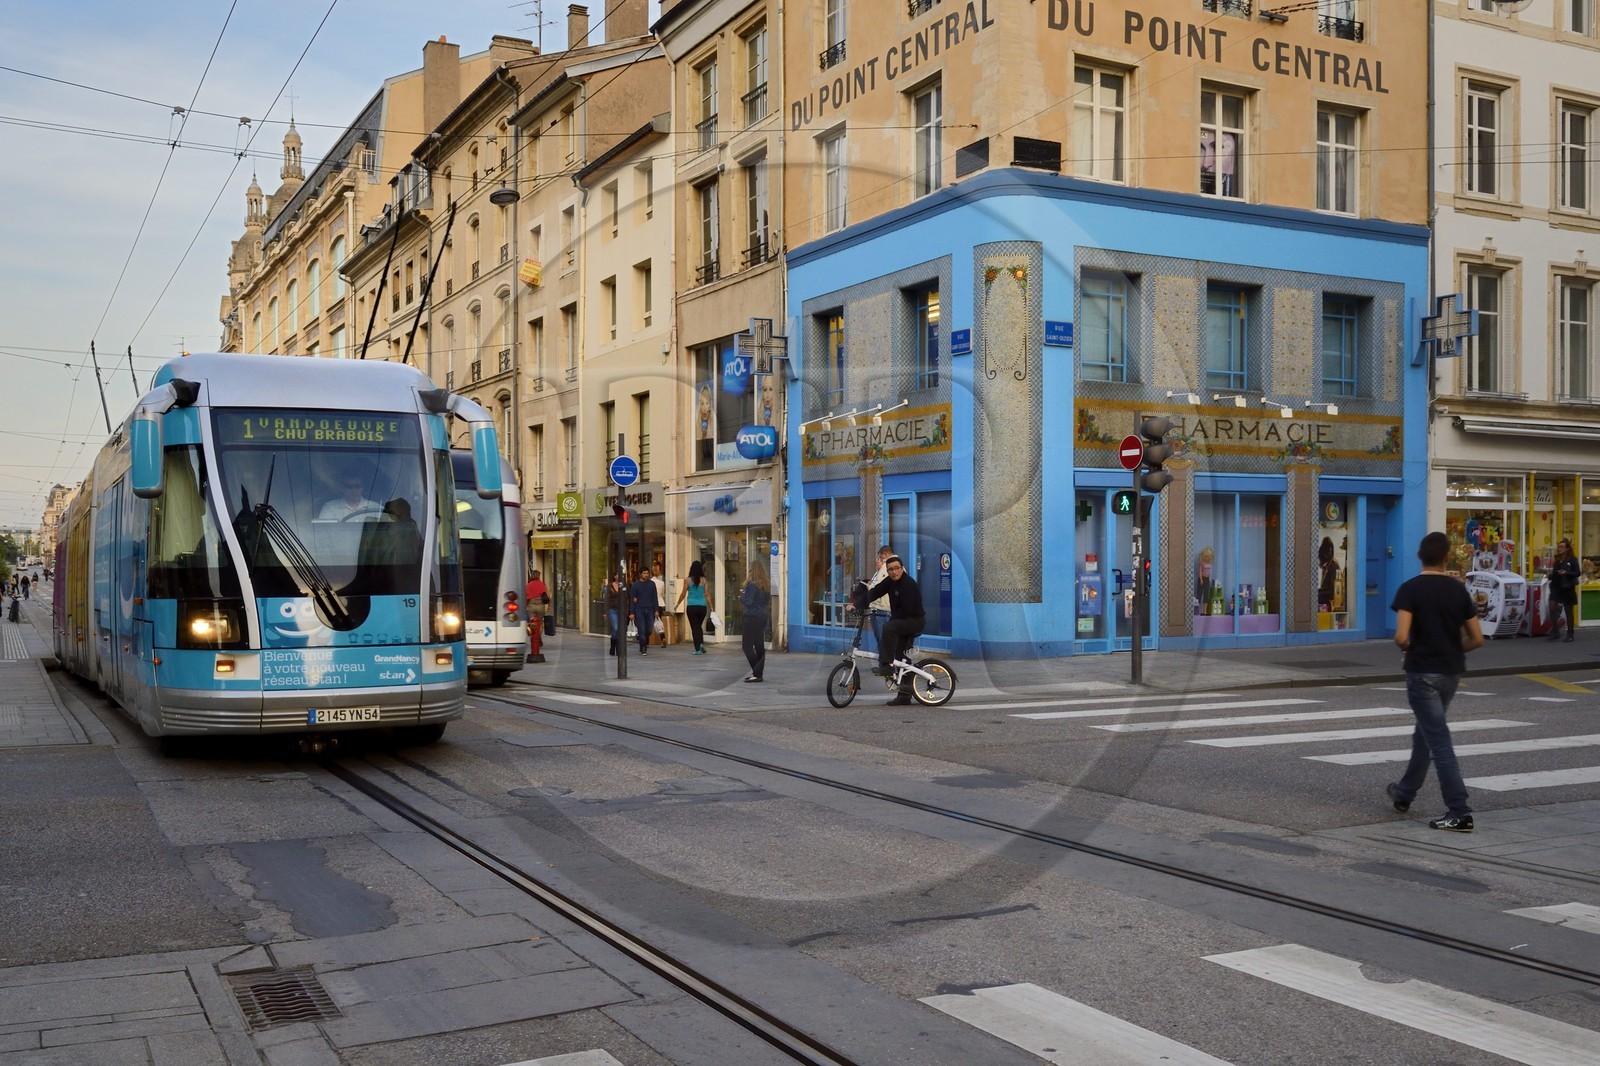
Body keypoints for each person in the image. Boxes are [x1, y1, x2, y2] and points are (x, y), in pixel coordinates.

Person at [1386, 531, 1485, 833]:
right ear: (1446, 558)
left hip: (1422, 674)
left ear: (1420, 556)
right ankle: (1404, 793)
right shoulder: (1458, 591)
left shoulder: (1410, 590)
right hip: (1450, 673)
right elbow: (1477, 638)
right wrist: (1454, 649)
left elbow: (1401, 636)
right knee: (1425, 735)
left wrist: (1409, 649)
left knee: (1438, 741)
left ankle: (1459, 810)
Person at [858, 554, 925, 705]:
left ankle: (886, 665)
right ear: (887, 571)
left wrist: (893, 621)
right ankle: (904, 696)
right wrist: (856, 604)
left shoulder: (908, 584)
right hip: (902, 621)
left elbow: (907, 610)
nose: (894, 572)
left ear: (902, 569)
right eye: (890, 570)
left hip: (914, 621)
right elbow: (874, 593)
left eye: (897, 569)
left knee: (889, 627)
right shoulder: (889, 582)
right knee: (902, 658)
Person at [739, 566, 770, 682]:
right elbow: (767, 602)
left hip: (751, 617)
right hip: (762, 616)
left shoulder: (752, 585)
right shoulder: (766, 585)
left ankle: (756, 672)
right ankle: (758, 674)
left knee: (746, 646)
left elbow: (749, 602)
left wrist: (741, 598)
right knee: (759, 646)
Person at [675, 559, 711, 654]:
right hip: (702, 607)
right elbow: (707, 594)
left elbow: (683, 594)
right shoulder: (704, 580)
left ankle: (698, 649)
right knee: (698, 626)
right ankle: (701, 643)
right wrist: (712, 607)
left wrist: (678, 603)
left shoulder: (687, 580)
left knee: (695, 628)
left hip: (691, 607)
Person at [1547, 539, 1580, 643]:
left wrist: (1566, 573)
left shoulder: (1572, 560)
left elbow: (1577, 573)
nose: (1559, 548)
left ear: (1567, 548)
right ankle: (1555, 631)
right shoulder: (1557, 559)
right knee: (1552, 607)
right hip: (1556, 586)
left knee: (1568, 611)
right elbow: (1555, 573)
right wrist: (1550, 575)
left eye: (1561, 547)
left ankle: (1570, 634)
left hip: (1567, 587)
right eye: (1559, 546)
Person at [865, 545, 894, 650]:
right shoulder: (881, 570)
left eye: (880, 558)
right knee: (880, 640)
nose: (878, 561)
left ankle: (887, 664)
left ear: (885, 555)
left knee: (884, 641)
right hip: (876, 608)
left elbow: (881, 588)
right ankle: (883, 664)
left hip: (883, 609)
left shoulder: (889, 567)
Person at [629, 568, 661, 655]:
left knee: (649, 629)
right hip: (639, 609)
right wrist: (632, 612)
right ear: (640, 574)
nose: (646, 575)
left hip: (650, 609)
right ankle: (643, 647)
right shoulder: (635, 585)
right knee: (641, 629)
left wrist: (656, 610)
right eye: (644, 573)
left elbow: (655, 598)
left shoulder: (652, 584)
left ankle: (643, 641)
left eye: (647, 573)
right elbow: (632, 599)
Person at [603, 572, 627, 655]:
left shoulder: (624, 586)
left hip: (622, 610)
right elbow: (606, 599)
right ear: (614, 576)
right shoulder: (609, 586)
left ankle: (616, 648)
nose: (620, 576)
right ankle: (614, 646)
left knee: (619, 630)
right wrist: (605, 612)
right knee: (616, 628)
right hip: (612, 610)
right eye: (618, 575)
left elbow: (628, 596)